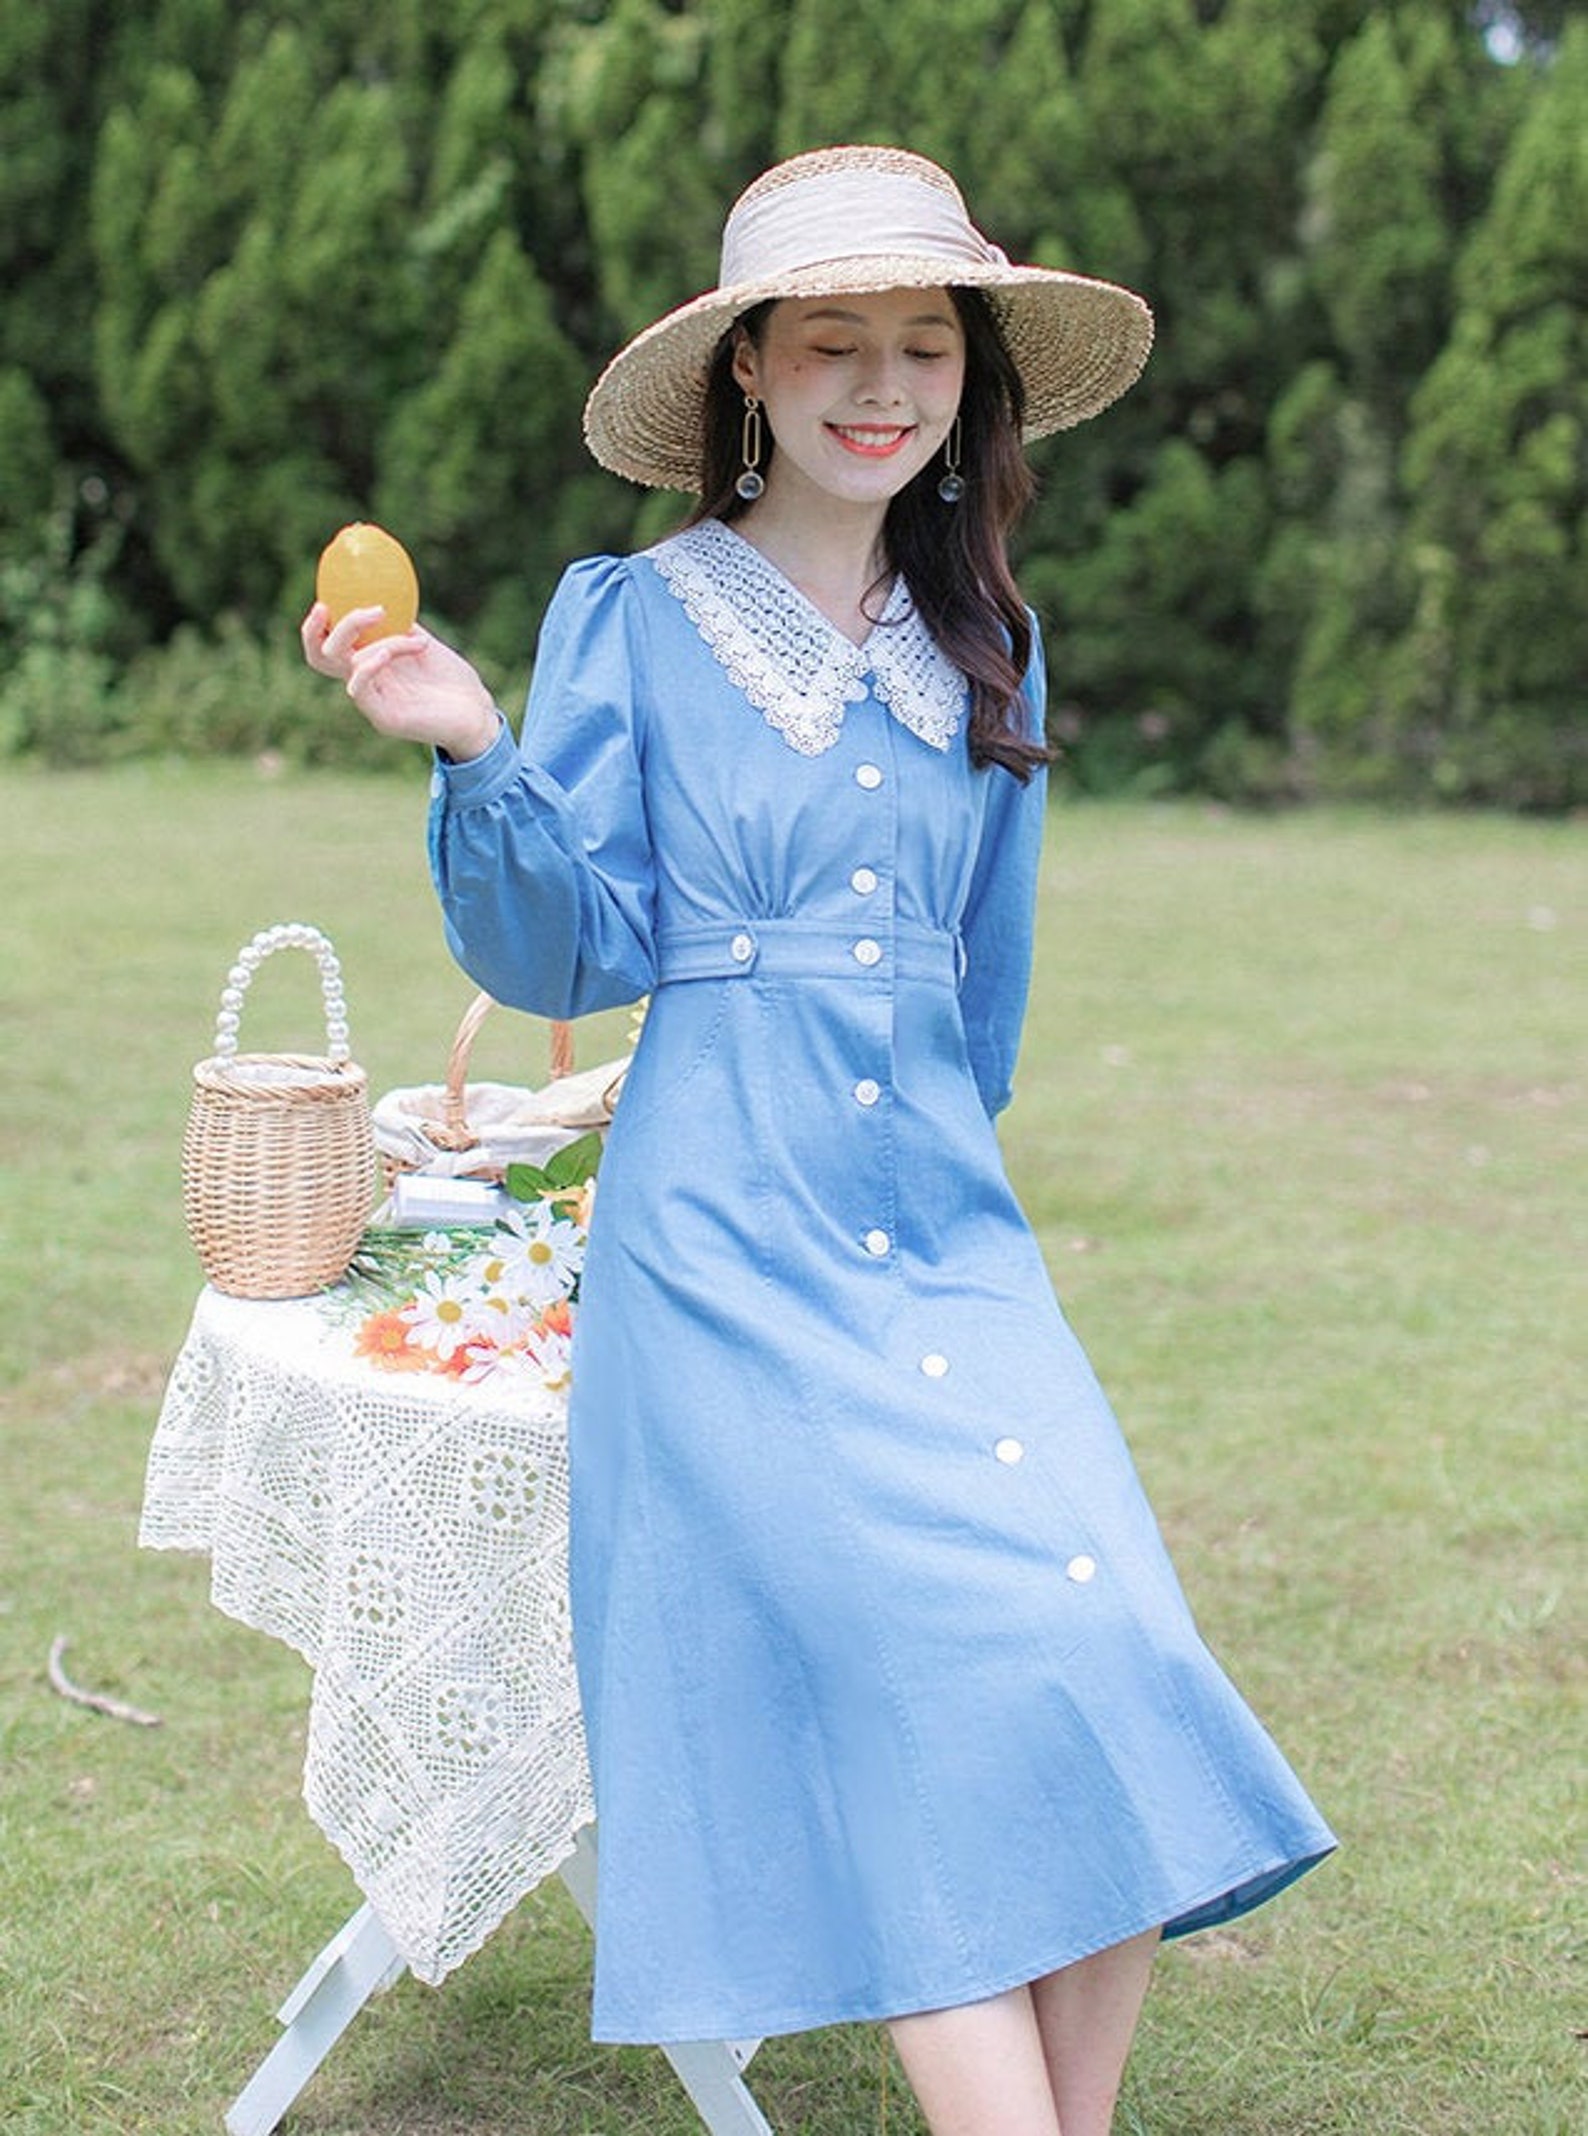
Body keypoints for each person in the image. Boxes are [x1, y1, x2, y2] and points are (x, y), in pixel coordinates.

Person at [303, 145, 1334, 2136]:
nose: (882, 384)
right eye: (832, 342)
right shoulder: (625, 617)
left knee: (1102, 1647)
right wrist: (469, 749)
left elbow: (984, 1000)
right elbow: (567, 952)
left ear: (972, 387)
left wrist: (942, 1210)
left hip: (943, 1243)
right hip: (716, 1261)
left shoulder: (990, 647)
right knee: (918, 1711)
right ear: (748, 374)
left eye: (924, 346)